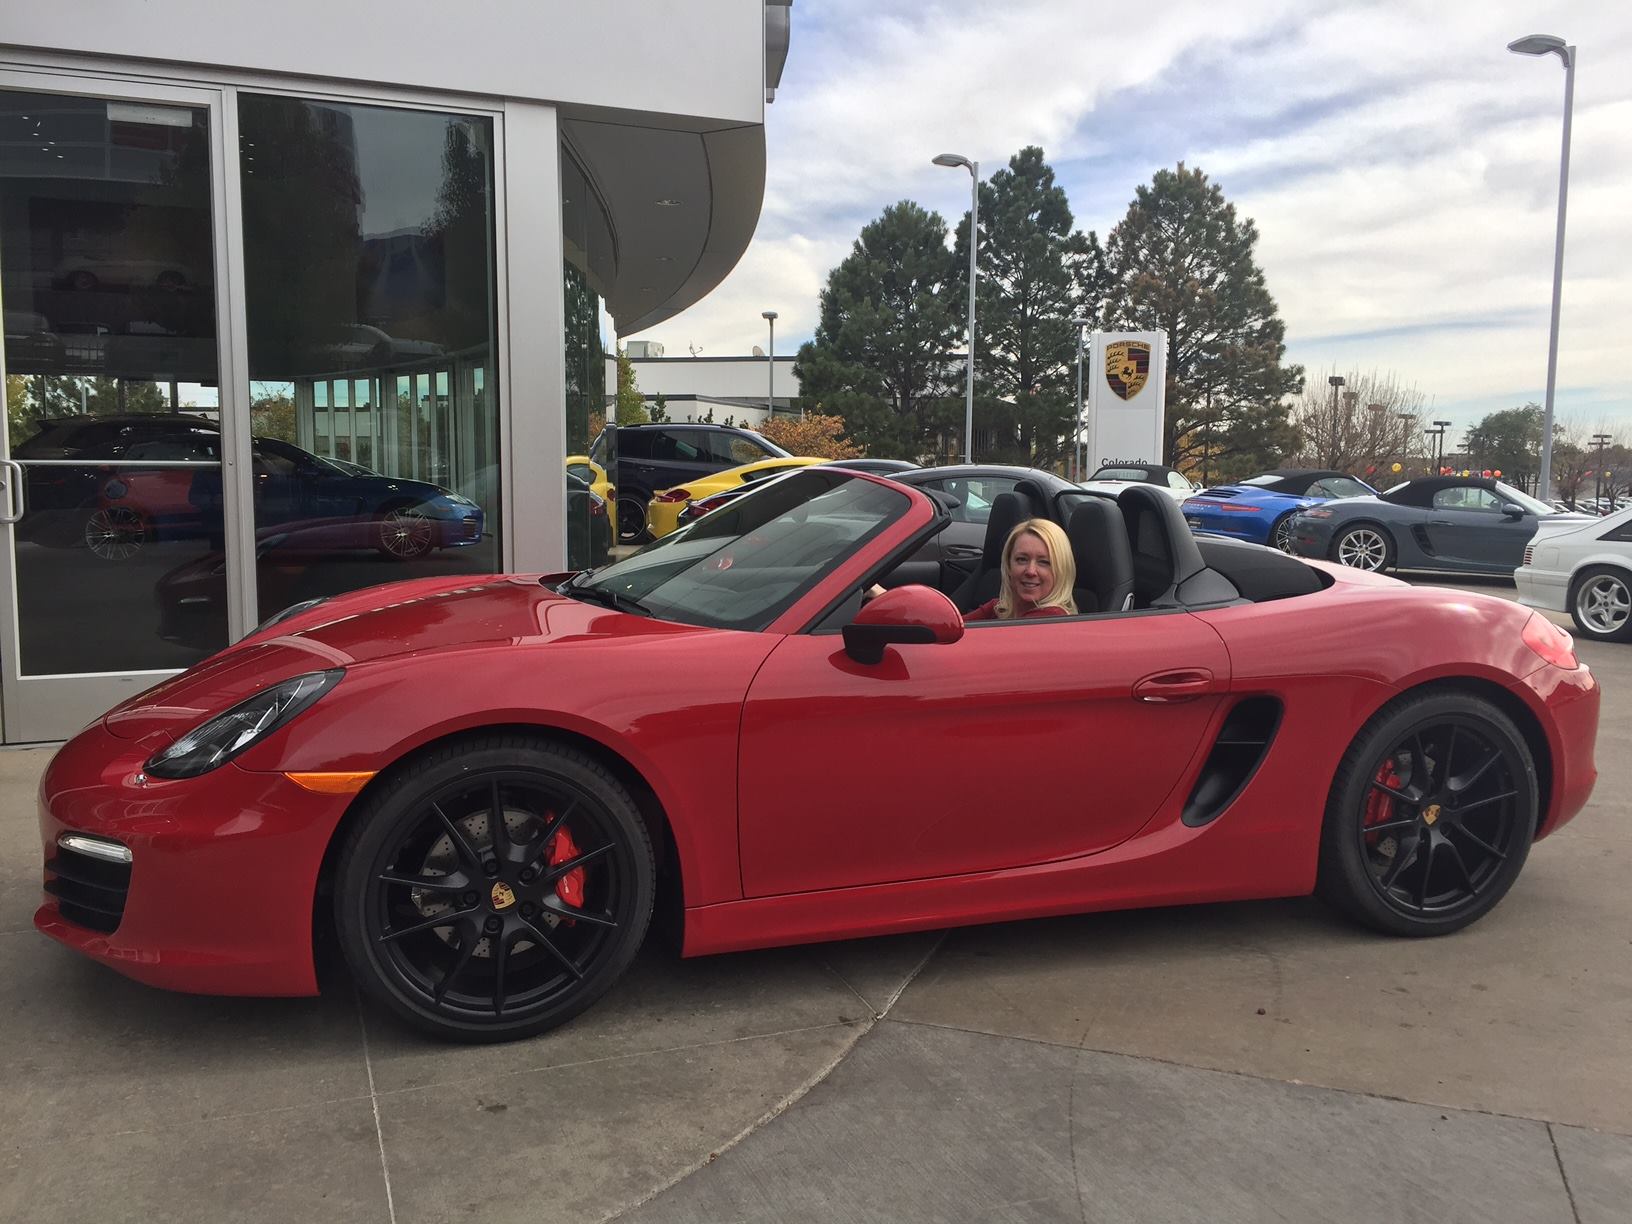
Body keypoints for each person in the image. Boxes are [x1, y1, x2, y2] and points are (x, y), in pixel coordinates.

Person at [963, 518, 1077, 622]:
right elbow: (950, 629)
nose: (1030, 571)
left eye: (1044, 562)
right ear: (1008, 564)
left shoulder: (1051, 619)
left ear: (1062, 570)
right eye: (1022, 559)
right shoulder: (1000, 609)